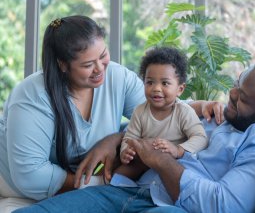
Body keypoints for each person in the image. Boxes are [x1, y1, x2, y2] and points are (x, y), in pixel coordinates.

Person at [14, 59, 255, 213]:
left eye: (243, 99)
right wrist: (114, 140)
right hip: (129, 190)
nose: (232, 95)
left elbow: (222, 205)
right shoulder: (227, 116)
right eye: (238, 85)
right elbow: (163, 120)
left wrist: (161, 162)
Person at [0, 15, 223, 204]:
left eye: (103, 55)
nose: (100, 69)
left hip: (79, 182)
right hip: (13, 184)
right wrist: (98, 183)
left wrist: (202, 106)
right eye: (88, 65)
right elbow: (30, 176)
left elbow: (159, 109)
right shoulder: (32, 96)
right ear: (62, 65)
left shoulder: (116, 76)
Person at [114, 46, 208, 180]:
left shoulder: (183, 111)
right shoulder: (140, 111)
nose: (156, 89)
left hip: (174, 164)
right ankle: (106, 184)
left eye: (165, 83)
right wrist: (126, 152)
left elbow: (201, 138)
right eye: (150, 82)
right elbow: (130, 138)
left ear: (180, 89)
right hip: (145, 163)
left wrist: (178, 150)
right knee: (121, 172)